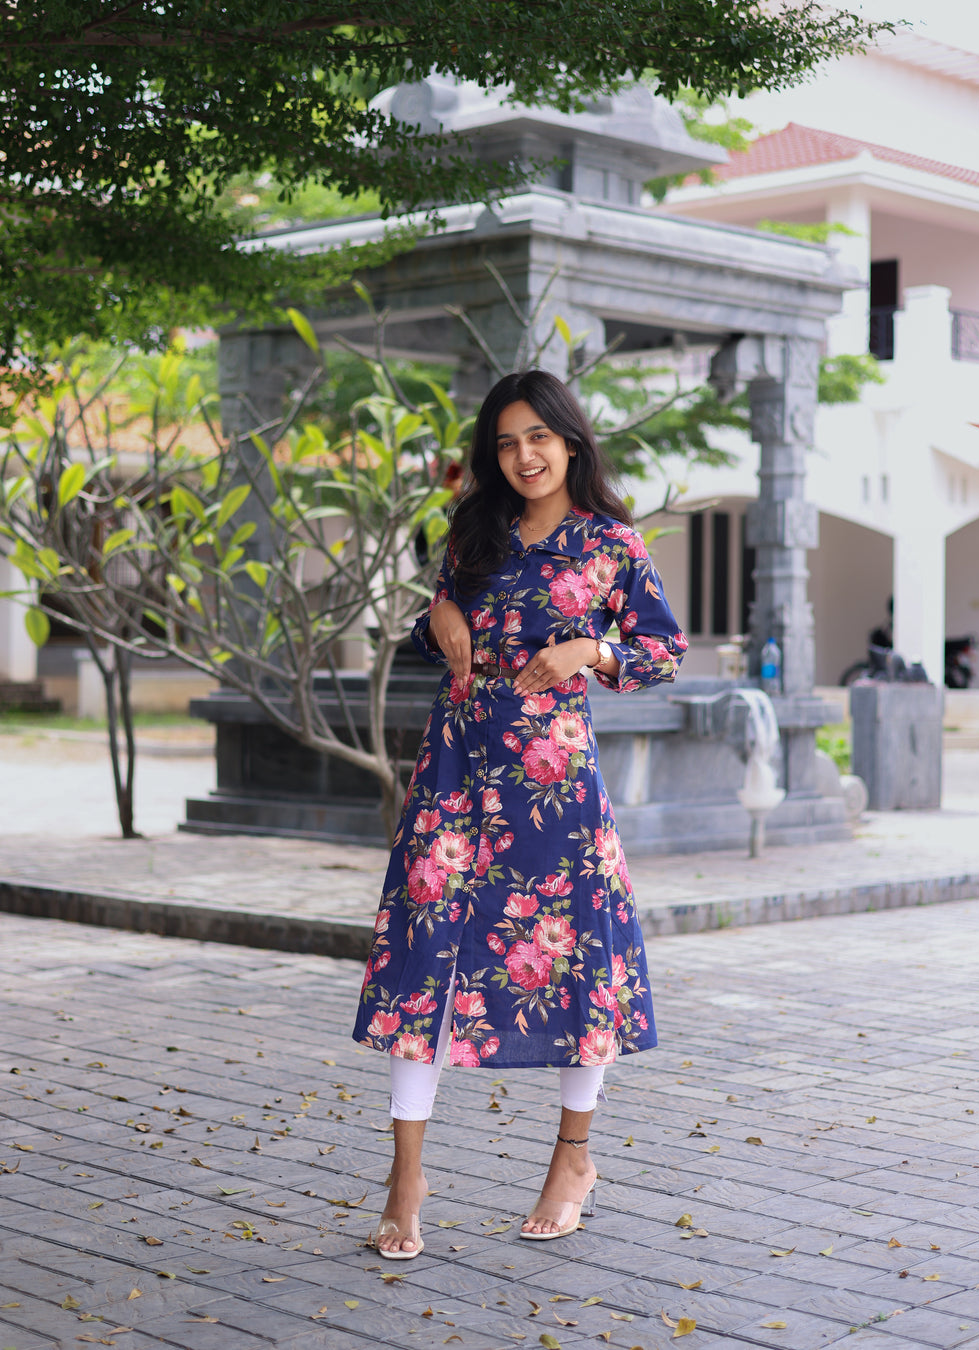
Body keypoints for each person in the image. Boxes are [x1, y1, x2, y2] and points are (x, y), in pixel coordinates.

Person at [353, 369, 687, 1258]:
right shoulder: (476, 532)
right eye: (505, 442)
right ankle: (405, 1177)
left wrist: (592, 646)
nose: (523, 455)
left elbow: (661, 649)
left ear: (571, 441)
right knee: (425, 955)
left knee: (577, 953)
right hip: (457, 764)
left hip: (552, 778)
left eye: (538, 437)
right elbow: (436, 627)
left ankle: (573, 1158)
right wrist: (440, 615)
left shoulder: (612, 544)